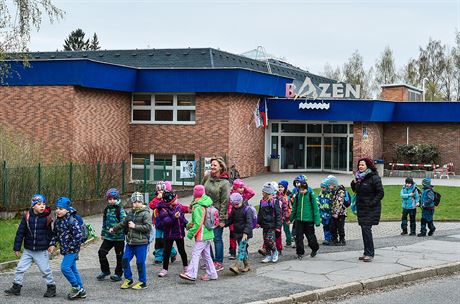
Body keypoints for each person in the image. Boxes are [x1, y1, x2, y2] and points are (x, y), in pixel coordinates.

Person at [4, 194, 56, 297]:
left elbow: (51, 233)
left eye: (44, 204)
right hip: (28, 250)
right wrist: (17, 248)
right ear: (33, 206)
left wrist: (52, 244)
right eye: (39, 204)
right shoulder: (27, 217)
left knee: (45, 270)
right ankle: (16, 287)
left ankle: (51, 287)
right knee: (20, 268)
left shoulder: (47, 217)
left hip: (41, 250)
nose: (42, 206)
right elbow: (20, 232)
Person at [110, 192, 151, 290]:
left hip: (141, 243)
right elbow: (123, 223)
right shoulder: (131, 213)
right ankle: (128, 279)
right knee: (125, 259)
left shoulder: (146, 213)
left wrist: (135, 226)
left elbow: (148, 227)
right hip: (130, 243)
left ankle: (142, 282)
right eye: (134, 202)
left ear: (142, 202)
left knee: (140, 262)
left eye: (138, 201)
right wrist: (114, 229)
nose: (136, 203)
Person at [49, 197, 86, 300]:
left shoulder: (72, 221)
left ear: (67, 209)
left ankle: (76, 287)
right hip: (65, 250)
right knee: (73, 269)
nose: (58, 211)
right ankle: (81, 290)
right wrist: (52, 244)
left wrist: (70, 247)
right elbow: (55, 234)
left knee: (65, 268)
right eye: (57, 208)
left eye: (61, 209)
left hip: (72, 250)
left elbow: (78, 236)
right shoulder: (57, 221)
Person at [180, 185, 218, 281]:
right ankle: (212, 274)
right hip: (208, 232)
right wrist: (189, 225)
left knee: (195, 253)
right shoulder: (207, 202)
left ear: (195, 194)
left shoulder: (198, 207)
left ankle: (191, 274)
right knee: (206, 255)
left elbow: (198, 223)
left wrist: (190, 233)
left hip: (202, 234)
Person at [351, 157, 384, 263]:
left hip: (370, 208)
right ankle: (366, 252)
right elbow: (357, 191)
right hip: (361, 208)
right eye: (359, 165)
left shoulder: (374, 178)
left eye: (362, 165)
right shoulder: (360, 178)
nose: (360, 166)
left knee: (366, 230)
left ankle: (370, 253)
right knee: (364, 230)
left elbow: (380, 193)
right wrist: (354, 183)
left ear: (368, 166)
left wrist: (371, 203)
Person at [202, 156, 231, 272]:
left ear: (220, 167)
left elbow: (225, 201)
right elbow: (200, 190)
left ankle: (218, 262)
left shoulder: (225, 183)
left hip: (217, 214)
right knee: (206, 238)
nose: (212, 167)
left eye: (215, 165)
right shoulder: (207, 177)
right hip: (205, 212)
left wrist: (223, 219)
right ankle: (210, 260)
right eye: (211, 165)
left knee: (217, 238)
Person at [97, 188, 126, 282]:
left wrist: (115, 229)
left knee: (119, 256)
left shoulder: (120, 210)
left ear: (117, 199)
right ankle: (105, 271)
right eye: (110, 199)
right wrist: (103, 233)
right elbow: (104, 222)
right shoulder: (107, 210)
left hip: (119, 238)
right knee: (101, 252)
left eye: (114, 199)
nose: (112, 201)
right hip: (109, 237)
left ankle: (118, 274)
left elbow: (124, 222)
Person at [157, 190, 189, 277]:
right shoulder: (163, 209)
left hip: (179, 233)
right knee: (166, 252)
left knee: (182, 250)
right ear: (170, 201)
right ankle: (165, 269)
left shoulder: (178, 206)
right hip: (169, 234)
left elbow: (182, 218)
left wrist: (187, 224)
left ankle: (186, 267)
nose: (177, 200)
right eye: (175, 199)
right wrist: (174, 217)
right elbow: (166, 222)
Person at [148, 181, 178, 264]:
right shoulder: (156, 199)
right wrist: (158, 198)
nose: (160, 192)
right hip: (158, 224)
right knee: (158, 241)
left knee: (165, 241)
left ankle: (173, 252)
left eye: (162, 190)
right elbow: (151, 205)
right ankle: (158, 257)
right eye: (158, 190)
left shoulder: (168, 198)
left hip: (166, 224)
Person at [290, 180, 320, 259]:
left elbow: (315, 208)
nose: (302, 191)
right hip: (299, 220)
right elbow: (294, 208)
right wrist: (290, 218)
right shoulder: (297, 196)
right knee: (298, 237)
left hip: (309, 221)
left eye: (303, 189)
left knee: (310, 237)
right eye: (300, 189)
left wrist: (317, 220)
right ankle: (299, 253)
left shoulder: (311, 195)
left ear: (307, 188)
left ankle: (315, 248)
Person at [225, 193, 254, 274]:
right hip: (237, 232)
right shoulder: (234, 209)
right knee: (243, 249)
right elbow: (231, 219)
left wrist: (245, 233)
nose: (235, 206)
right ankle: (247, 265)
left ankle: (236, 266)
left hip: (245, 234)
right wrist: (224, 224)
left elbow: (249, 223)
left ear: (241, 201)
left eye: (237, 204)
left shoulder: (247, 210)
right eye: (233, 204)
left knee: (241, 249)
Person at [228, 179, 255, 260]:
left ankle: (244, 253)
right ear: (235, 188)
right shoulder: (232, 197)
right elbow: (230, 209)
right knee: (232, 237)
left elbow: (252, 193)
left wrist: (243, 187)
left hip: (242, 221)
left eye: (242, 187)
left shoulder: (244, 196)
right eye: (240, 187)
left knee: (243, 238)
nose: (242, 189)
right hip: (234, 220)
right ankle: (232, 252)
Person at [258, 182, 281, 263]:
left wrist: (278, 226)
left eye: (263, 192)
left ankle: (275, 252)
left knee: (269, 240)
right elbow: (260, 213)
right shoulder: (262, 201)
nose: (262, 193)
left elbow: (278, 214)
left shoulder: (274, 201)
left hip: (272, 225)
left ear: (267, 193)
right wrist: (258, 222)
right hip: (265, 225)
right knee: (265, 240)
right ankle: (268, 255)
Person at [328, 176, 351, 246]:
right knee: (333, 227)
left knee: (340, 227)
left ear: (334, 184)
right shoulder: (333, 191)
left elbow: (339, 204)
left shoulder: (341, 192)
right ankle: (334, 239)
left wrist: (335, 214)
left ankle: (342, 240)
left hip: (341, 213)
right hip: (334, 213)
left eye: (330, 185)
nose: (329, 186)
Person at [317, 178, 332, 245]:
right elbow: (317, 202)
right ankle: (326, 238)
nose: (322, 189)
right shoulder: (320, 195)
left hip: (329, 214)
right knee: (325, 226)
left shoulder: (330, 195)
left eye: (324, 188)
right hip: (323, 214)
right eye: (321, 187)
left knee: (330, 226)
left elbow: (332, 203)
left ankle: (330, 238)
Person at [278, 180, 292, 247]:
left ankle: (288, 241)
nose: (280, 188)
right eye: (279, 187)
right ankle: (278, 243)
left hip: (286, 216)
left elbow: (288, 206)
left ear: (285, 188)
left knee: (286, 229)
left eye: (282, 187)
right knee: (278, 230)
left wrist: (288, 217)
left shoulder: (287, 196)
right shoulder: (277, 195)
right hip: (279, 216)